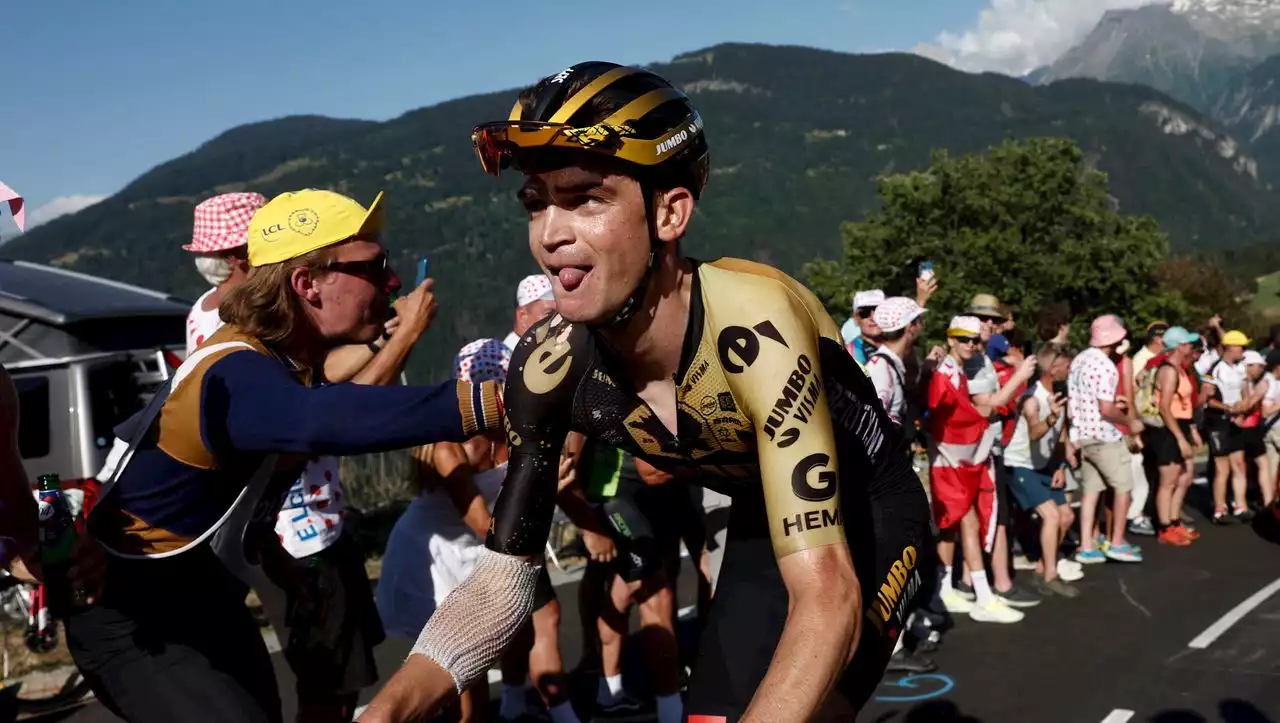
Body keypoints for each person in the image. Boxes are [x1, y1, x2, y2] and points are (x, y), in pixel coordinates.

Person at [360, 61, 934, 723]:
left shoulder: (754, 327)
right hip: (761, 510)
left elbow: (828, 593)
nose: (550, 235)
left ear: (669, 210)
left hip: (871, 507)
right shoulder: (548, 365)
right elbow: (502, 576)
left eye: (585, 198)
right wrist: (389, 707)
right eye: (537, 201)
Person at [66, 188, 505, 723]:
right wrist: (497, 401)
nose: (392, 282)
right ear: (306, 285)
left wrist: (279, 566)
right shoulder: (236, 370)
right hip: (135, 616)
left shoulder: (284, 362)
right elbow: (324, 422)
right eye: (375, 267)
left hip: (202, 595)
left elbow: (246, 486)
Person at [181, 191, 395, 723]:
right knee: (330, 683)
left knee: (326, 677)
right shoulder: (245, 331)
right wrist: (401, 338)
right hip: (298, 533)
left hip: (288, 526)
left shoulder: (204, 316)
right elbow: (309, 425)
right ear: (239, 258)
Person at [927, 315, 1037, 624]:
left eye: (976, 340)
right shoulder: (948, 373)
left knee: (952, 525)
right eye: (965, 339)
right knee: (968, 522)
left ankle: (946, 587)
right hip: (953, 459)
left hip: (953, 458)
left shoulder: (953, 369)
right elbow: (974, 413)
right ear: (951, 339)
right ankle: (983, 597)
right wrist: (1019, 376)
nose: (972, 345)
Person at [1004, 344, 1081, 597]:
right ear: (1053, 368)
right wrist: (1051, 418)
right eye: (1068, 366)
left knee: (1067, 516)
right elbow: (1035, 432)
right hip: (1018, 465)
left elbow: (1061, 433)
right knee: (1052, 516)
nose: (1071, 370)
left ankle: (1041, 567)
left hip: (1043, 465)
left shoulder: (1060, 395)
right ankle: (1050, 575)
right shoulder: (1032, 399)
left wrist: (1059, 464)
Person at [1067, 315, 1143, 564]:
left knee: (1090, 492)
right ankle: (1117, 542)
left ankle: (1086, 546)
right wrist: (1129, 421)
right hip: (1103, 435)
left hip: (1082, 435)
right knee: (1124, 488)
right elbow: (1106, 409)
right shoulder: (1106, 366)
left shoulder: (1079, 359)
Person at [1143, 327, 1203, 546]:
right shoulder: (1168, 370)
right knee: (1167, 482)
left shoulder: (1181, 369)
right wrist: (1179, 438)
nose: (1190, 347)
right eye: (1187, 343)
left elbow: (1186, 404)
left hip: (1181, 425)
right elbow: (1165, 408)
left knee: (1180, 477)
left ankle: (1174, 522)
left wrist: (1192, 431)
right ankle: (1165, 527)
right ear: (1179, 346)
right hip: (1169, 430)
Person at [1203, 330, 1253, 524]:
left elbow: (1245, 394)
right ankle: (1219, 509)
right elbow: (1207, 399)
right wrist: (1228, 408)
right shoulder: (1214, 368)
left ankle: (1241, 506)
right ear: (1231, 347)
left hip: (1235, 420)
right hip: (1218, 421)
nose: (1245, 351)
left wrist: (1243, 411)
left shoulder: (1241, 367)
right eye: (1242, 346)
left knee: (1239, 463)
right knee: (1222, 468)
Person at [849, 289, 885, 365]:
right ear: (856, 319)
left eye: (879, 311)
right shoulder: (851, 352)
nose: (873, 318)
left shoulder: (897, 342)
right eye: (865, 313)